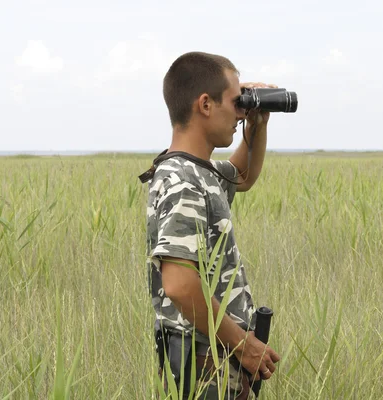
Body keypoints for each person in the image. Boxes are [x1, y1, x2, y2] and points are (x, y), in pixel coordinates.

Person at [140, 51, 281, 399]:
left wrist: (257, 124)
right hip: (204, 362)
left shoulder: (198, 171)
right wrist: (244, 346)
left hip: (213, 357)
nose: (239, 112)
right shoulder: (183, 181)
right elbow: (180, 284)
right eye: (236, 102)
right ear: (205, 104)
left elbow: (243, 175)